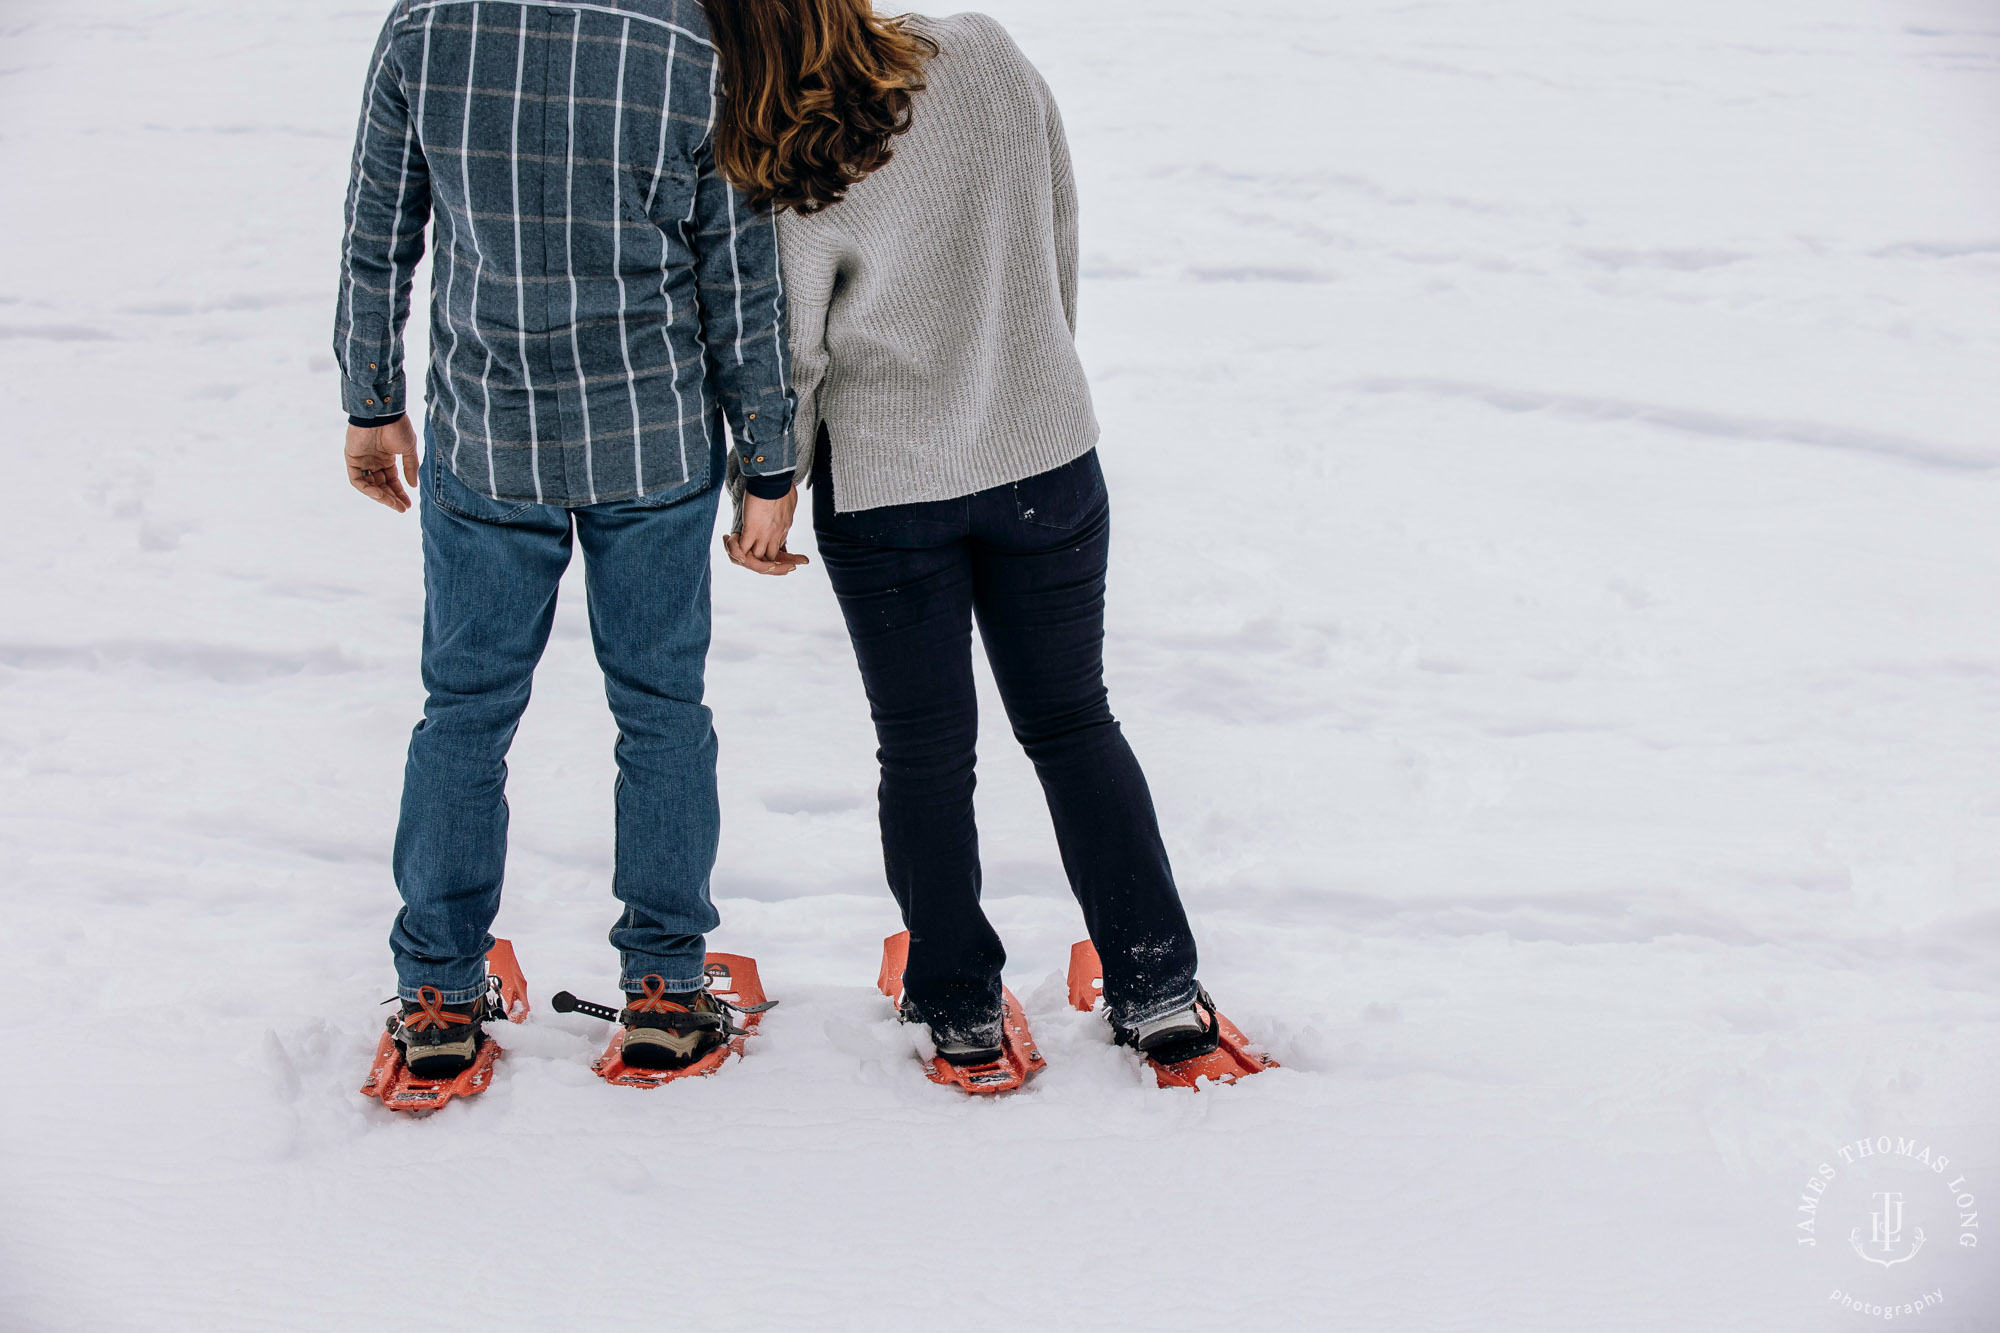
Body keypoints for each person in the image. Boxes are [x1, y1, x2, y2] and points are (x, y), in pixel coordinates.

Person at [709, 0, 1221, 1068]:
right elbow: (1056, 221)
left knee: (926, 752)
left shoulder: (779, 154)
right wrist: (1033, 367)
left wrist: (771, 484)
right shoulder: (982, 52)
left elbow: (791, 356)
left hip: (891, 492)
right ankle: (1156, 984)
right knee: (1075, 724)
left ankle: (959, 1005)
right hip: (1043, 455)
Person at [335, 0, 806, 1078]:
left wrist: (371, 400)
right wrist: (767, 461)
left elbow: (377, 231)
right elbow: (738, 274)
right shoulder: (694, 42)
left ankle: (440, 995)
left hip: (488, 436)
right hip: (650, 439)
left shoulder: (424, 26)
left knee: (463, 712)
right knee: (661, 711)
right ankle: (665, 987)